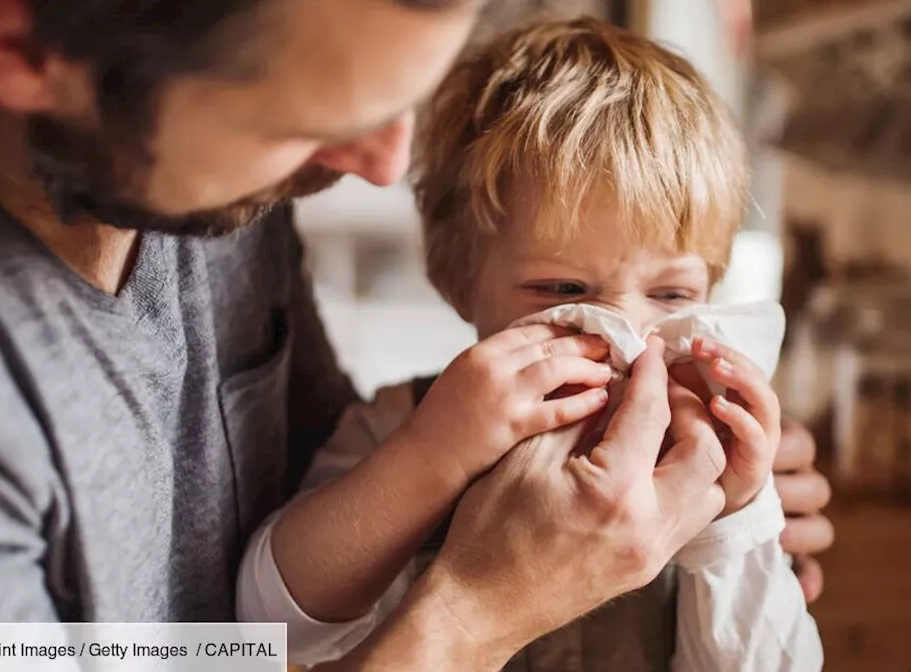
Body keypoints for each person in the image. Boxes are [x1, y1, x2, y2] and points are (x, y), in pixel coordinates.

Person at [0, 0, 831, 668]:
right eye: (307, 119)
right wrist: (482, 604)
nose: (385, 166)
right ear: (22, 54)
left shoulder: (204, 176)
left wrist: (735, 525)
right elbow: (267, 625)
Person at [239, 18, 822, 671]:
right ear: (460, 281)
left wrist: (736, 520)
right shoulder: (406, 425)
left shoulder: (700, 456)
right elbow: (267, 632)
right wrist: (433, 453)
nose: (626, 336)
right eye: (563, 288)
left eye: (673, 297)